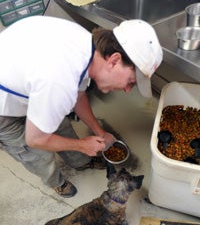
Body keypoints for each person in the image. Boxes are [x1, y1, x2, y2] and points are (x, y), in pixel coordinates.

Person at [0, 16, 163, 198]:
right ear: (114, 61)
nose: (126, 90)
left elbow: (78, 95)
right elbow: (35, 139)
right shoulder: (59, 80)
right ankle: (57, 183)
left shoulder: (86, 48)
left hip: (28, 85)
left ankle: (80, 162)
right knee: (36, 155)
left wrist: (99, 132)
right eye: (130, 81)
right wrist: (80, 145)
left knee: (61, 127)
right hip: (4, 109)